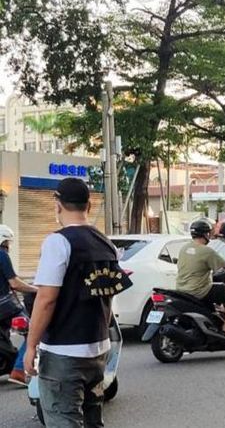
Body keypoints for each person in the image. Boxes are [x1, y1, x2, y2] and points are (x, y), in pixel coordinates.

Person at [25, 178, 132, 427]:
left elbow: (46, 299)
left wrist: (31, 346)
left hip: (64, 352)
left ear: (57, 204)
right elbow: (110, 293)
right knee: (92, 419)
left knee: (64, 419)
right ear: (89, 206)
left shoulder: (58, 242)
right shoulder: (106, 243)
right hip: (98, 349)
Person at [177, 219, 225, 336]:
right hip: (200, 291)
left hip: (181, 289)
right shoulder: (207, 251)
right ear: (206, 234)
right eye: (209, 234)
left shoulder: (184, 248)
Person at [0, 225, 37, 386]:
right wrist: (36, 289)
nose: (9, 245)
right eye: (8, 241)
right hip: (6, 307)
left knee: (5, 336)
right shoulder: (1, 255)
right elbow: (14, 283)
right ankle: (19, 371)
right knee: (34, 332)